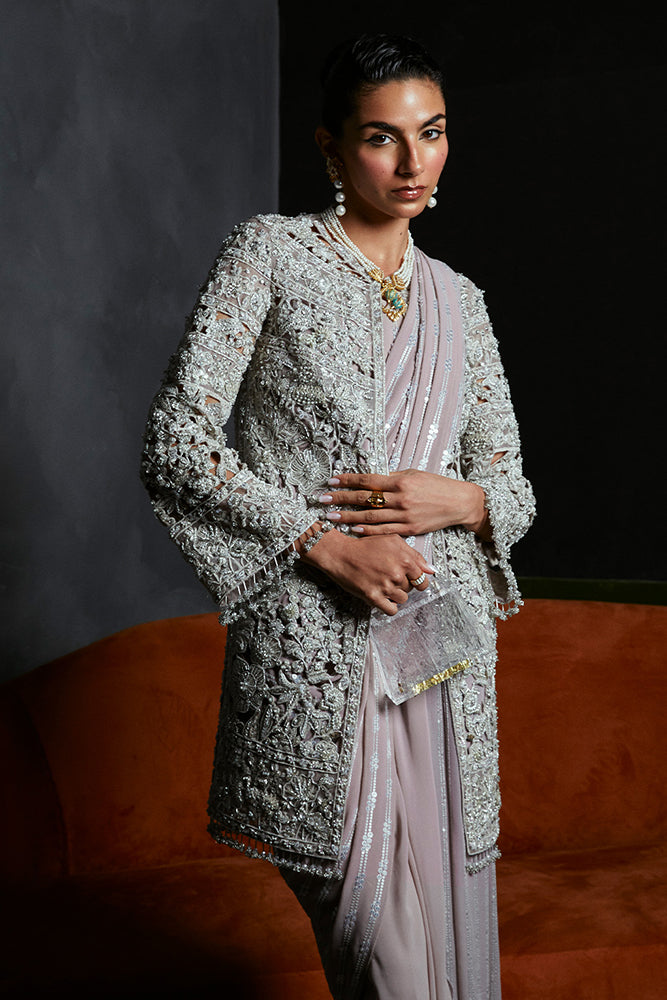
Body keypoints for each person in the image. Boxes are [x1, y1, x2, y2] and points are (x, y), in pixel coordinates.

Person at [141, 33, 535, 1000]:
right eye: (381, 137)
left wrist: (466, 499)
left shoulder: (459, 303)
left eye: (431, 133)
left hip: (441, 665)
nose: (412, 162)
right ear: (330, 146)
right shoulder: (270, 256)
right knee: (386, 959)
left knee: (440, 957)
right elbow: (177, 442)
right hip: (320, 659)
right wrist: (322, 544)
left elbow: (512, 489)